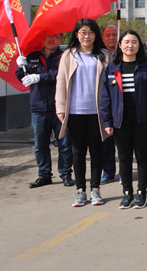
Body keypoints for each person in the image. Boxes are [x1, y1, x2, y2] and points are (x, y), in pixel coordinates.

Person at [100, 30, 147, 209]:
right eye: (126, 42)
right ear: (120, 46)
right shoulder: (112, 68)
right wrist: (107, 122)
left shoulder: (146, 67)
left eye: (134, 42)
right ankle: (127, 193)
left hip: (142, 119)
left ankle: (141, 192)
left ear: (139, 45)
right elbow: (105, 98)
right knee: (124, 157)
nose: (130, 45)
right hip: (120, 120)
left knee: (142, 156)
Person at [55, 19, 111, 207]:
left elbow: (111, 83)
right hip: (75, 111)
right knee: (78, 151)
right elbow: (61, 82)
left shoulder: (104, 55)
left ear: (96, 35)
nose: (87, 36)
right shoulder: (69, 55)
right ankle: (80, 190)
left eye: (91, 32)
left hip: (97, 111)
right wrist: (60, 108)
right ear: (77, 34)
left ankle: (95, 189)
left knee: (97, 150)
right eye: (83, 32)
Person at [17, 34, 73, 188]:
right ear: (42, 39)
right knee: (40, 145)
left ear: (61, 39)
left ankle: (66, 174)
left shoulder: (64, 57)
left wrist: (39, 77)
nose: (51, 39)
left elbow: (61, 75)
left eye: (55, 37)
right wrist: (20, 66)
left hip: (60, 107)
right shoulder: (32, 57)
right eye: (48, 37)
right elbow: (21, 77)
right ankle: (44, 175)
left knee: (65, 144)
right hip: (39, 108)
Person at [100, 24, 119, 185]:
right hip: (105, 101)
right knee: (106, 140)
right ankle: (108, 171)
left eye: (115, 34)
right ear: (103, 38)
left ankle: (124, 171)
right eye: (108, 35)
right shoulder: (98, 54)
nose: (112, 38)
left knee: (123, 141)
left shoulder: (125, 51)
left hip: (122, 102)